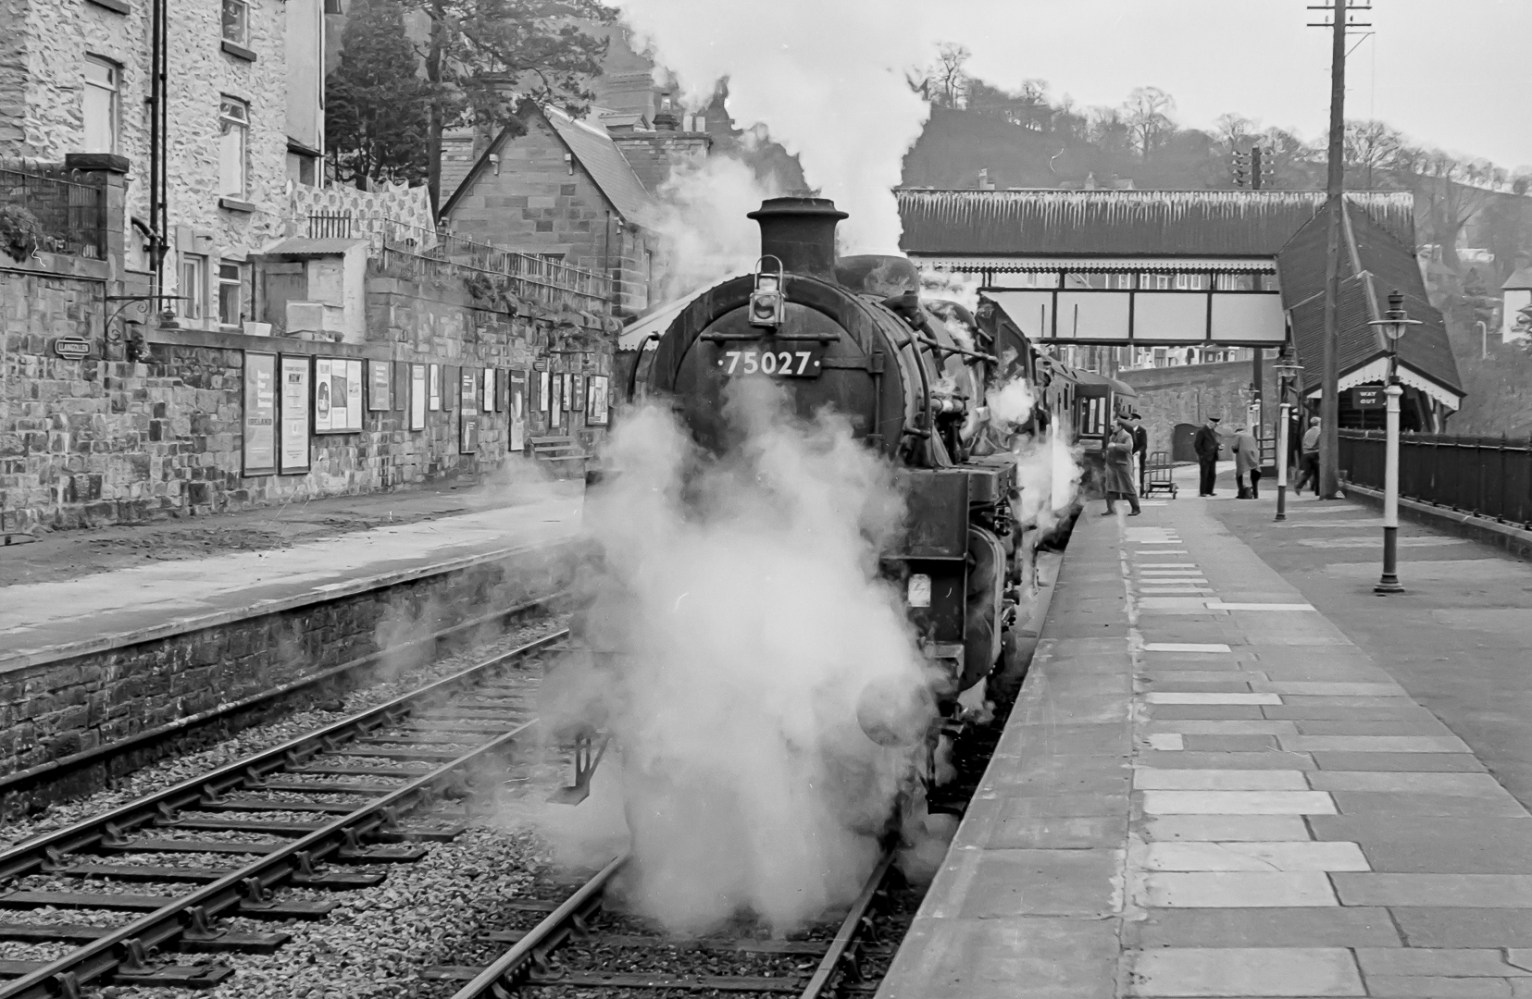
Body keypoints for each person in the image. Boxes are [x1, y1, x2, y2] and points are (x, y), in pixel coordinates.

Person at [1102, 417, 1142, 516]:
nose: (1111, 428)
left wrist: (1115, 445)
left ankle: (1136, 509)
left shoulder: (1126, 436)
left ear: (1120, 426)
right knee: (1111, 488)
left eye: (1113, 426)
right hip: (1113, 466)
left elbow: (1129, 447)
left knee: (1128, 488)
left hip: (1123, 466)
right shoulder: (1112, 436)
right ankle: (1110, 509)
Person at [1193, 415, 1221, 497]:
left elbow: (1214, 442)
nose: (1216, 426)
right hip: (1205, 456)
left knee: (1212, 474)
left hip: (1213, 456)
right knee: (1204, 474)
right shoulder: (1202, 431)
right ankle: (1203, 492)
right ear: (1211, 423)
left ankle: (1209, 491)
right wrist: (1202, 455)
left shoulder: (1212, 431)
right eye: (1215, 424)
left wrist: (1218, 446)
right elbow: (1197, 444)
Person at [1294, 416, 1321, 495]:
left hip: (1306, 454)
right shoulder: (1320, 431)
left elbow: (1303, 443)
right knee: (1318, 473)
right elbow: (1319, 442)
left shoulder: (1307, 432)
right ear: (1318, 423)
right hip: (1315, 453)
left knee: (1307, 472)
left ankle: (1298, 486)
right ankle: (1318, 491)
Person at [1232, 424, 1261, 499]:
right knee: (1254, 474)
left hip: (1243, 455)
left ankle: (1241, 493)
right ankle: (1255, 494)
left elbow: (1235, 447)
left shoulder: (1237, 435)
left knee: (1239, 474)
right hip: (1254, 454)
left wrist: (1234, 450)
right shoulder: (1251, 436)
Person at [1129, 412, 1149, 493]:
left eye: (1134, 420)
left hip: (1139, 456)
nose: (1133, 422)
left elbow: (1144, 444)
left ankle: (1140, 489)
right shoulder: (1128, 430)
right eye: (1132, 420)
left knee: (1140, 472)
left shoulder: (1142, 431)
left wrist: (1139, 452)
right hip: (1130, 455)